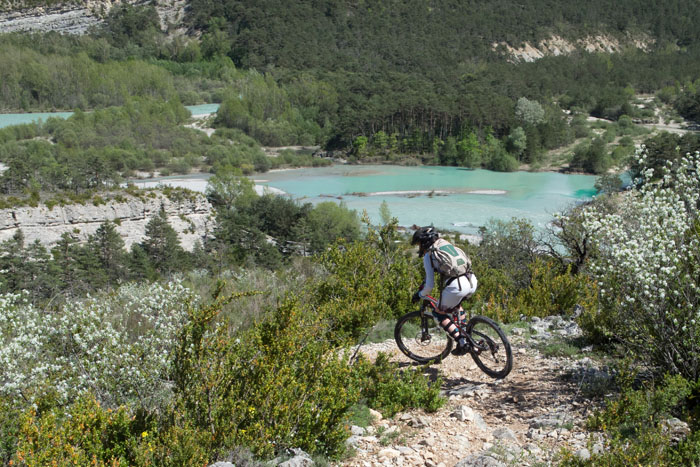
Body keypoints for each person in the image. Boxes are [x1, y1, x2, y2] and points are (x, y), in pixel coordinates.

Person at [411, 226, 477, 356]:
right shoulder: (445, 244)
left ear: (424, 242)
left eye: (419, 244)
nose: (419, 248)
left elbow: (429, 286)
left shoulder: (429, 255)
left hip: (457, 286)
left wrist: (420, 294)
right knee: (457, 305)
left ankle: (462, 343)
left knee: (438, 313)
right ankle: (465, 336)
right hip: (471, 281)